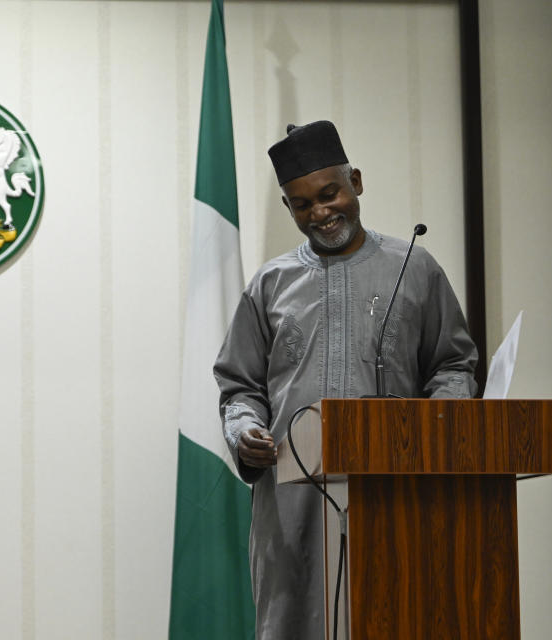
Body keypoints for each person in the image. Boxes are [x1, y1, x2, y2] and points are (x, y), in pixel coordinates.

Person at [213, 120, 477, 639]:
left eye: (329, 194)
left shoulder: (415, 268)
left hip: (396, 490)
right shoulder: (271, 282)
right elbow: (239, 386)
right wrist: (244, 433)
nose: (320, 213)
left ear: (355, 181)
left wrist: (439, 429)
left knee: (395, 617)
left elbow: (452, 365)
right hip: (293, 502)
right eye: (301, 204)